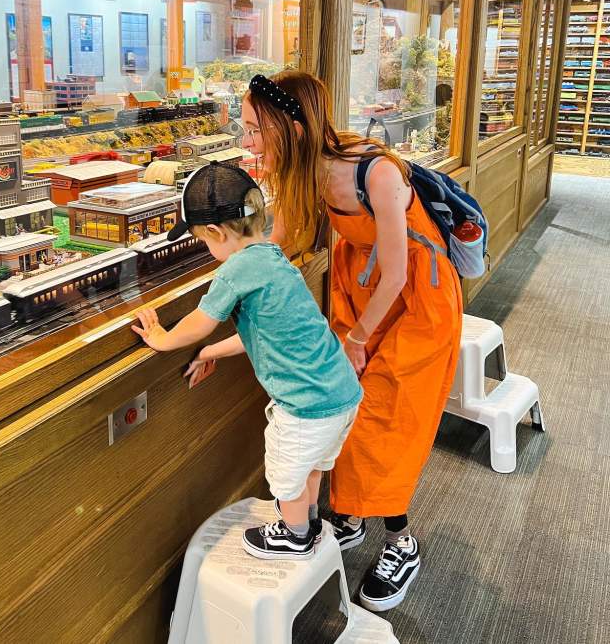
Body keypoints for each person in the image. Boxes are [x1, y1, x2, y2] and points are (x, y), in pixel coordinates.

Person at [242, 72, 463, 612]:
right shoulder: (304, 172)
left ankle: (401, 542)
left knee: (384, 420)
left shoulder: (377, 173)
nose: (246, 141)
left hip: (415, 299)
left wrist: (359, 340)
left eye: (253, 129)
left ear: (288, 127)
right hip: (358, 289)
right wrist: (234, 269)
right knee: (339, 409)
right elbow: (279, 241)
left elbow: (396, 275)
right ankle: (349, 513)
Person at [132, 161, 363, 561]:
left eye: (204, 241)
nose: (208, 250)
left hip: (305, 406)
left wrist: (163, 338)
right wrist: (209, 353)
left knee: (285, 471)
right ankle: (305, 520)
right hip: (341, 393)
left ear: (217, 233)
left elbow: (201, 322)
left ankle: (294, 535)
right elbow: (260, 334)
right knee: (310, 466)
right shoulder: (272, 257)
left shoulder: (235, 271)